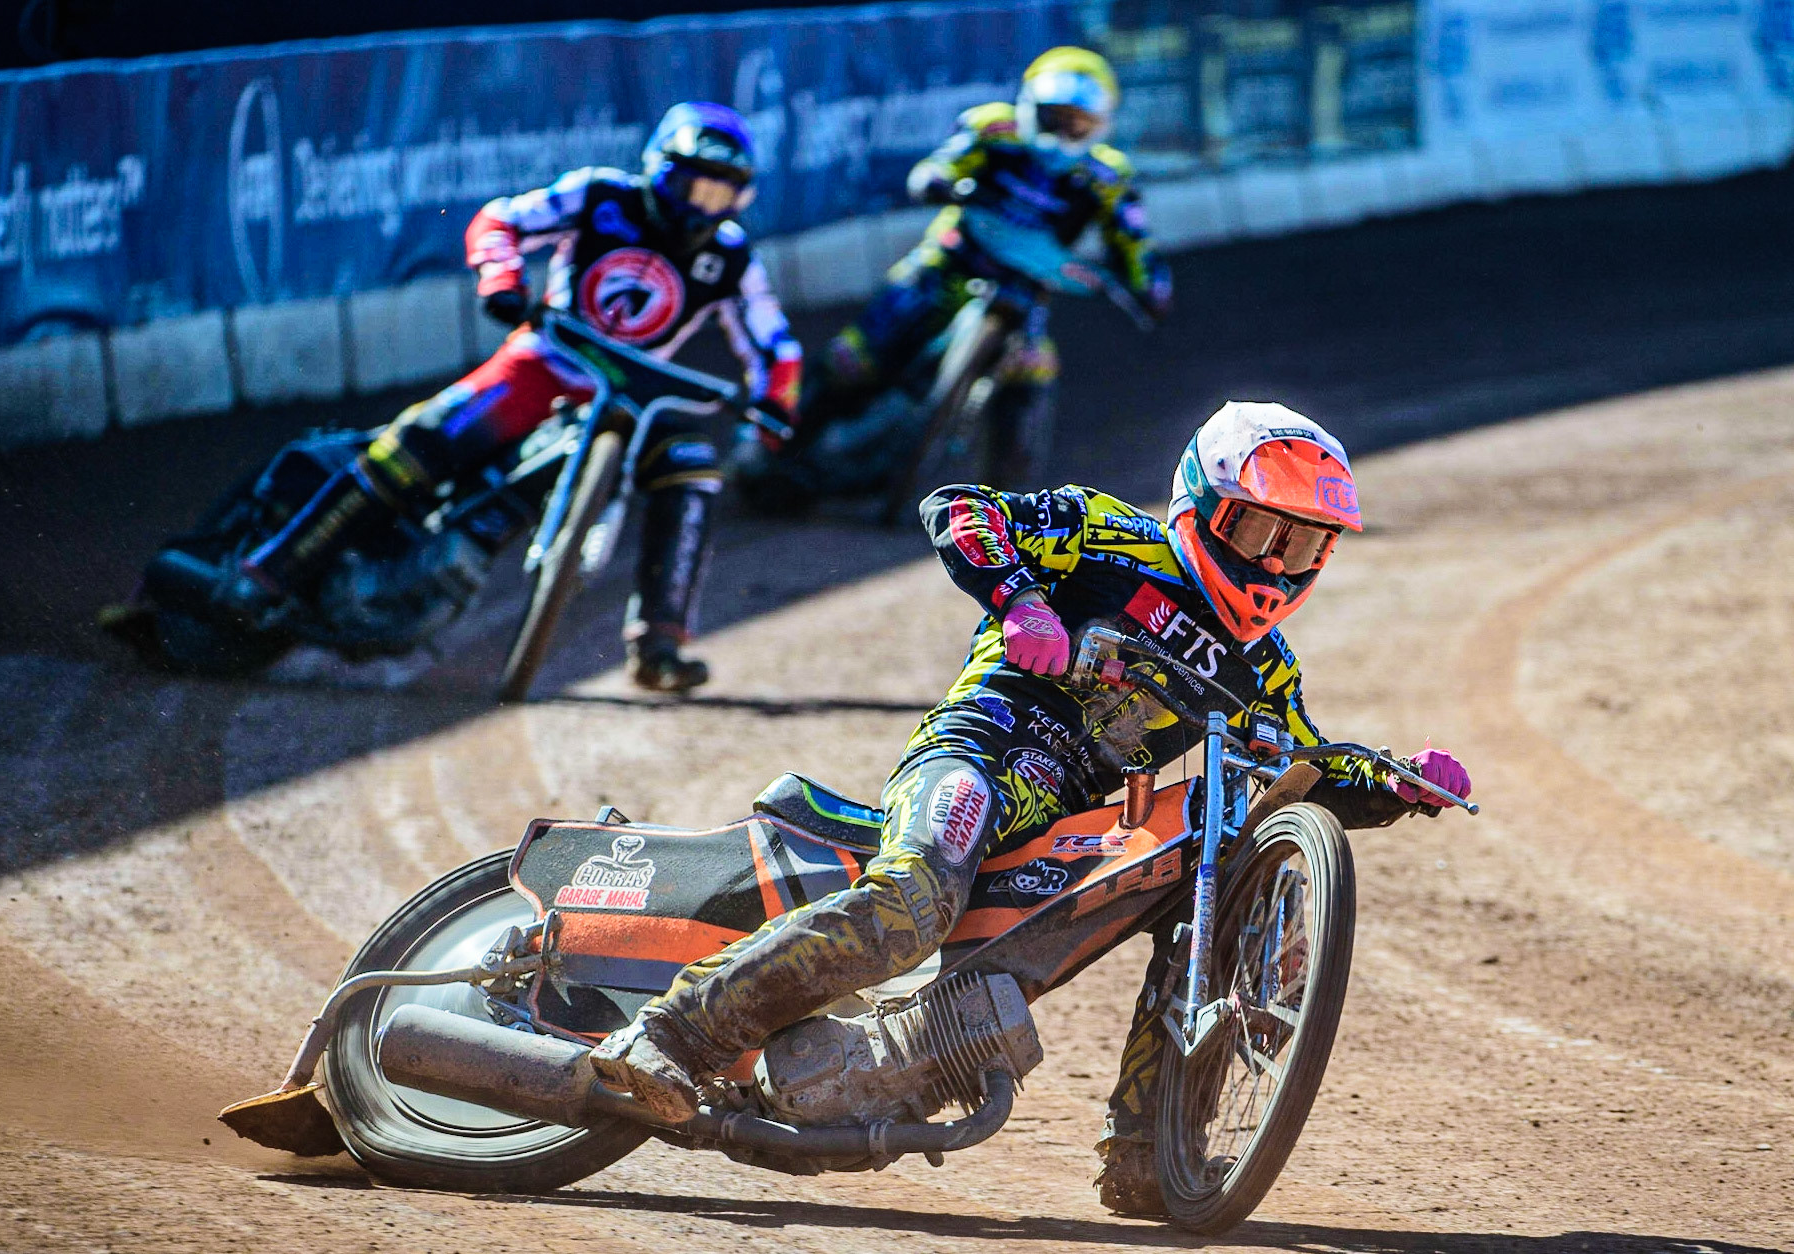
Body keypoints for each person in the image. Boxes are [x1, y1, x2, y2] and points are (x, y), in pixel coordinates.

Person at [590, 402, 1473, 1194]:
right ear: (1201, 504)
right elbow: (959, 507)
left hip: (1066, 826)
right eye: (1258, 530)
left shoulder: (1266, 669)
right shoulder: (1106, 534)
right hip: (974, 753)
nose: (1276, 563)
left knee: (1200, 885)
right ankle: (671, 1035)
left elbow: (1303, 761)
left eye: (1304, 545)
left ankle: (1148, 1152)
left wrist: (1397, 780)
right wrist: (1020, 603)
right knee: (911, 901)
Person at [232, 102, 802, 693]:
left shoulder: (733, 258)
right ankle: (274, 567)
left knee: (693, 466)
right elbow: (499, 220)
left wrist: (776, 407)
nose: (699, 207)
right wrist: (502, 279)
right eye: (690, 187)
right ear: (658, 169)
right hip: (544, 362)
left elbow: (776, 344)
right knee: (420, 442)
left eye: (717, 195)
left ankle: (660, 646)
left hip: (633, 400)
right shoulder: (599, 194)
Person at [739, 46, 1174, 510]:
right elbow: (940, 165)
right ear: (1030, 105)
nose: (1065, 131)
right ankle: (767, 453)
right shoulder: (993, 128)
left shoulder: (1108, 176)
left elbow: (1134, 242)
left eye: (1079, 123)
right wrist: (938, 180)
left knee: (1034, 364)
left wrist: (1148, 286)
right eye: (1055, 116)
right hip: (946, 265)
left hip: (1025, 291)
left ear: (1100, 126)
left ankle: (1009, 509)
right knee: (854, 358)